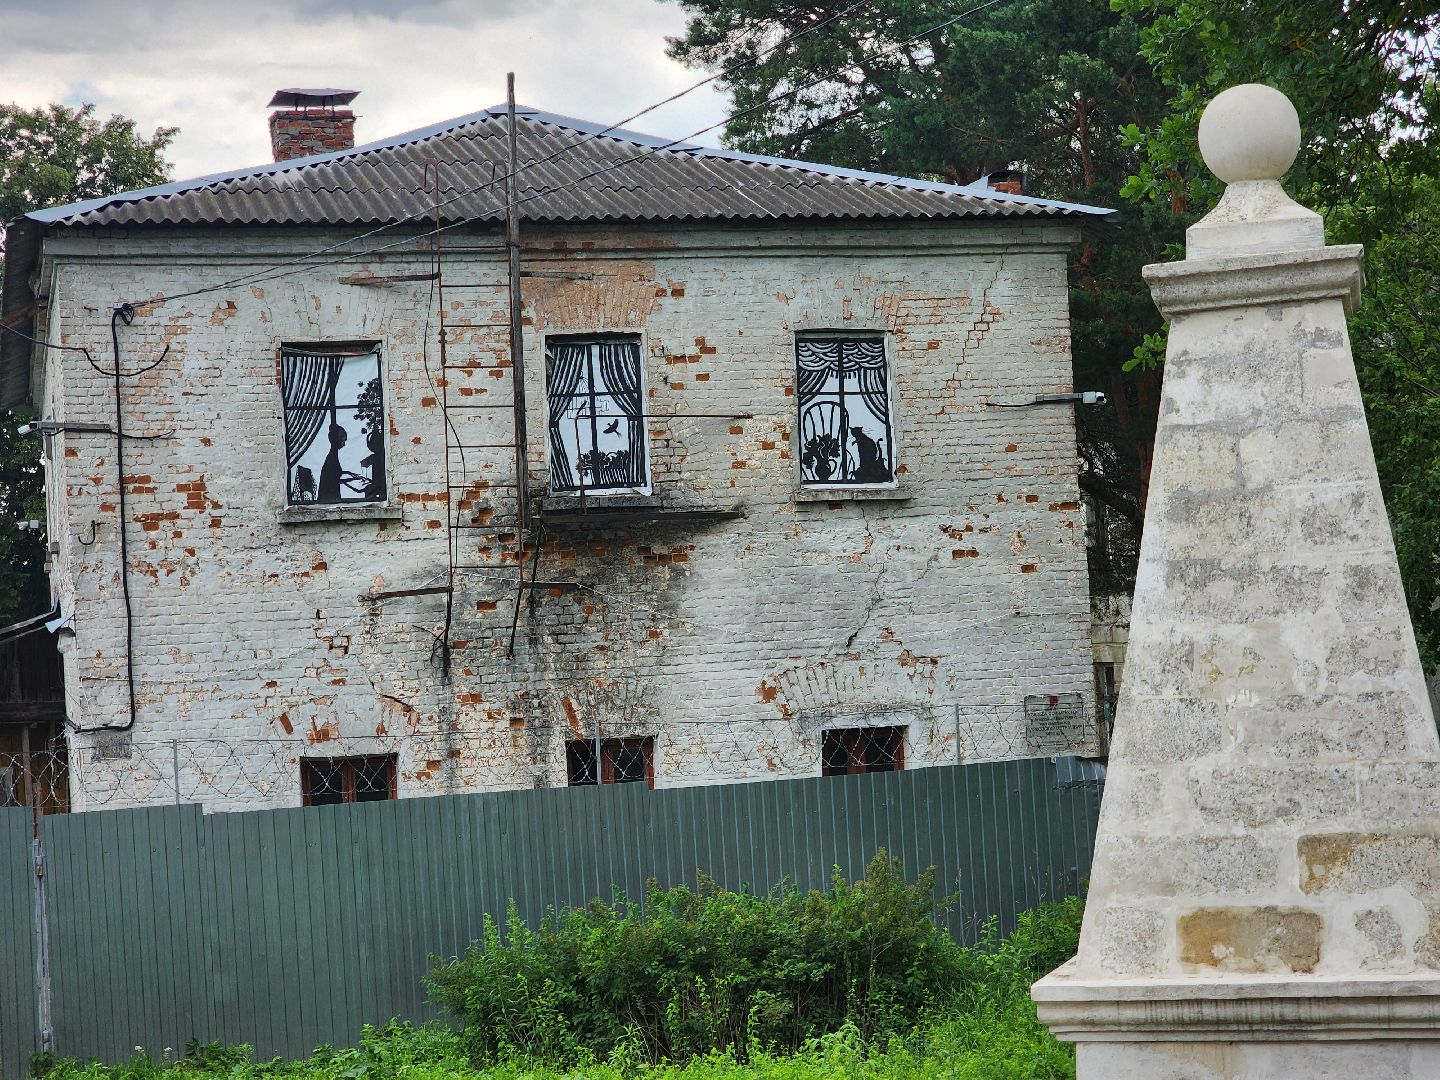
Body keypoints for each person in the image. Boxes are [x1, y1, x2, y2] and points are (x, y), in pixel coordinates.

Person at [317, 423, 347, 502]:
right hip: (329, 497)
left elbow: (336, 474)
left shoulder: (333, 455)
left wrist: (349, 474)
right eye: (342, 441)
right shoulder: (332, 457)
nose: (344, 444)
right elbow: (334, 480)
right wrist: (352, 479)